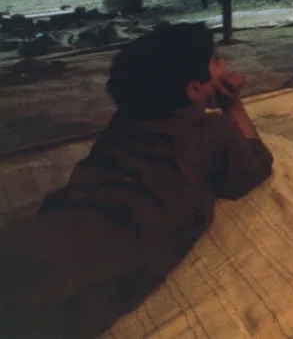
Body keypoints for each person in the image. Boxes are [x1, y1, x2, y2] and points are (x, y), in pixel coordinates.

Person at [0, 23, 274, 337]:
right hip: (109, 244)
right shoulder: (213, 131)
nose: (224, 66)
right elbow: (258, 166)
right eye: (216, 61)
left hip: (66, 219)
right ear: (195, 88)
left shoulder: (126, 119)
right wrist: (233, 104)